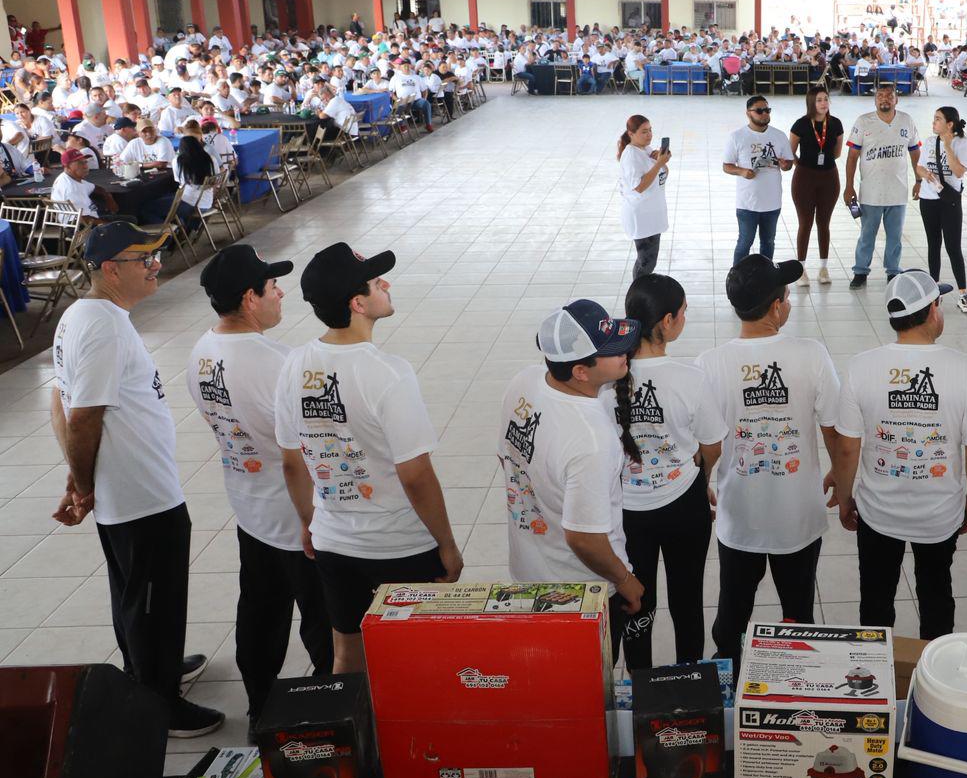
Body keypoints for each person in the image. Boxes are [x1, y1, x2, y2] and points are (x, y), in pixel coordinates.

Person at [50, 223, 223, 737]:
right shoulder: (102, 325)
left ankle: (150, 669)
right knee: (153, 599)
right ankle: (159, 703)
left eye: (155, 253)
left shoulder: (83, 315)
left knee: (133, 592)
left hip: (125, 488)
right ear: (110, 269)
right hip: (140, 494)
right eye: (143, 257)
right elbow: (80, 415)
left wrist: (77, 478)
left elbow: (58, 401)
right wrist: (82, 483)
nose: (155, 264)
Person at [274, 243, 463, 674]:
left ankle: (355, 739)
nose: (387, 284)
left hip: (334, 542)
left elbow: (292, 461)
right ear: (357, 303)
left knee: (347, 654)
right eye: (378, 282)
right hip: (402, 545)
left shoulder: (294, 365)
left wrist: (309, 521)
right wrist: (447, 545)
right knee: (421, 660)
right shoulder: (388, 372)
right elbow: (415, 475)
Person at [186, 245, 332, 730]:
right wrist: (312, 519)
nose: (281, 293)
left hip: (250, 510)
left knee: (260, 613)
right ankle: (332, 713)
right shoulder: (279, 362)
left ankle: (260, 706)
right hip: (299, 519)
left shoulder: (201, 352)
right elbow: (302, 453)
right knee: (322, 621)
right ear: (250, 298)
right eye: (272, 287)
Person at [833, 270, 967, 639]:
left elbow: (847, 448)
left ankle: (875, 675)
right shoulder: (966, 370)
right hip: (940, 514)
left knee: (876, 600)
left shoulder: (861, 367)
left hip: (877, 513)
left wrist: (845, 499)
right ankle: (931, 676)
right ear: (933, 309)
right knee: (936, 592)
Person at [697, 256, 841, 661]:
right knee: (798, 612)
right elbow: (834, 429)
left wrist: (702, 482)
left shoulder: (709, 364)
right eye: (787, 295)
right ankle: (797, 682)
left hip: (739, 516)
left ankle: (728, 675)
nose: (790, 301)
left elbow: (704, 442)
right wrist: (841, 479)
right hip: (797, 516)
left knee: (732, 613)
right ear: (776, 307)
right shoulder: (811, 355)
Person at [497, 300, 646, 660]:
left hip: (527, 570)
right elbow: (584, 538)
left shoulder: (525, 381)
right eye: (612, 350)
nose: (626, 351)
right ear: (581, 371)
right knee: (586, 691)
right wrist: (626, 582)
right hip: (581, 592)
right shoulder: (591, 440)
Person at [616, 275, 726, 666]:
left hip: (626, 512)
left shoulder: (608, 380)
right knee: (686, 599)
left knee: (636, 601)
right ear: (667, 320)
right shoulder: (690, 380)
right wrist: (702, 482)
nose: (684, 318)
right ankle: (689, 676)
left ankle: (640, 683)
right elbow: (711, 447)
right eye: (682, 312)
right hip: (684, 506)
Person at [845, 83, 920, 288]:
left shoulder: (906, 120)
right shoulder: (864, 122)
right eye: (880, 95)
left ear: (897, 99)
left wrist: (919, 180)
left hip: (898, 191)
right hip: (870, 192)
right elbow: (852, 157)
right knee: (867, 235)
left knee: (895, 236)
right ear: (875, 99)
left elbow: (915, 152)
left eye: (889, 95)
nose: (884, 99)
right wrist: (849, 186)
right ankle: (860, 271)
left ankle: (893, 271)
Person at [917, 106, 967, 314]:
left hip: (950, 201)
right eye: (934, 118)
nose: (934, 123)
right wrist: (925, 174)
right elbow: (919, 166)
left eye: (938, 119)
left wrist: (948, 146)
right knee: (934, 245)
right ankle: (935, 290)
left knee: (953, 247)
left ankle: (963, 292)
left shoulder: (962, 142)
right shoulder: (930, 141)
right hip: (928, 199)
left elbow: (959, 172)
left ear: (950, 124)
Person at [722, 95, 791, 264]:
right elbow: (727, 166)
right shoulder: (737, 137)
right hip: (747, 203)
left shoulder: (779, 135)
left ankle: (766, 277)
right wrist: (742, 171)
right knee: (745, 242)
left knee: (768, 243)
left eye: (767, 110)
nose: (764, 114)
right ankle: (737, 278)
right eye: (759, 111)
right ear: (748, 113)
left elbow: (789, 164)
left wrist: (784, 165)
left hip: (772, 202)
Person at [788, 86, 843, 284]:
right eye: (819, 100)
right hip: (805, 178)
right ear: (812, 102)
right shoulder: (801, 124)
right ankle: (801, 269)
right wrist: (802, 166)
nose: (823, 103)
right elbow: (790, 150)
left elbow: (837, 153)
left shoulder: (835, 124)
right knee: (805, 223)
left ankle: (823, 268)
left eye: (826, 99)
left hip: (829, 177)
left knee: (824, 223)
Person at [617, 114, 670, 280]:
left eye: (650, 130)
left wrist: (662, 162)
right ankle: (638, 298)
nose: (649, 135)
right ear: (631, 134)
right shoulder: (631, 155)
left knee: (649, 262)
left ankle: (641, 294)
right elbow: (639, 186)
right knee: (646, 262)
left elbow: (663, 175)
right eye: (644, 132)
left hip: (652, 214)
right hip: (641, 216)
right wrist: (659, 163)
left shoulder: (646, 150)